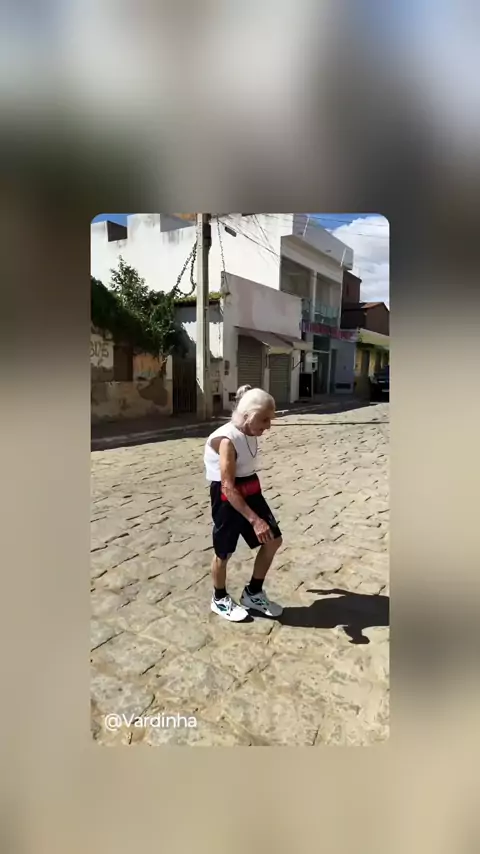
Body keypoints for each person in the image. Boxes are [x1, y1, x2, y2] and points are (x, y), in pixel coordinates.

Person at [204, 385, 283, 621]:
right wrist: (255, 520)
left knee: (273, 540)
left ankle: (253, 593)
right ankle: (219, 599)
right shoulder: (227, 440)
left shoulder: (248, 430)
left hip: (250, 488)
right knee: (224, 551)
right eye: (265, 420)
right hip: (227, 496)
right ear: (247, 416)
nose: (268, 426)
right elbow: (228, 487)